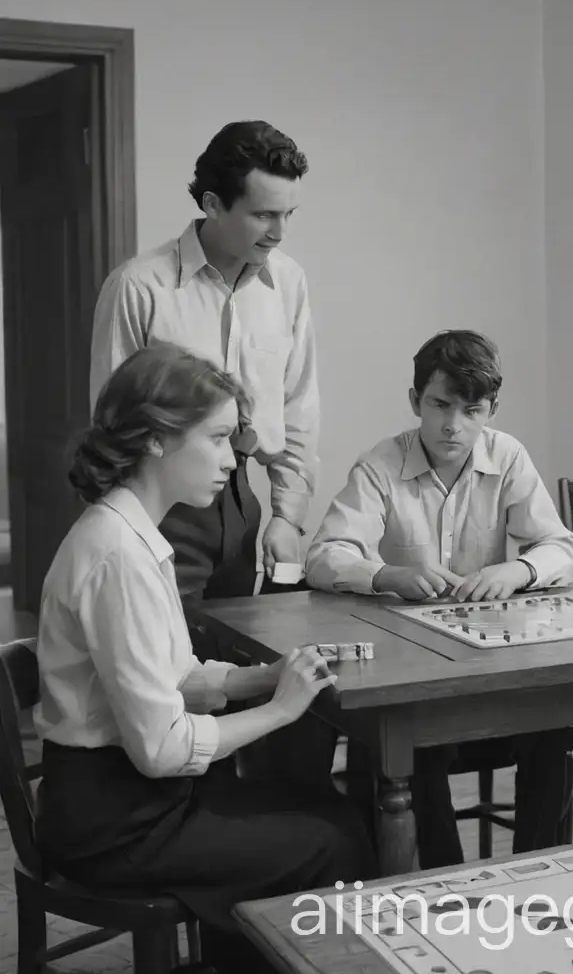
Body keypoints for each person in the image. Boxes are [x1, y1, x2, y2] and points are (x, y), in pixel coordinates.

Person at [34, 344, 376, 974]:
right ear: (159, 439)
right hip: (113, 822)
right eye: (219, 439)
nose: (231, 461)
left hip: (130, 797)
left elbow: (179, 679)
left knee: (330, 813)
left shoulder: (132, 534)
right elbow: (162, 748)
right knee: (333, 836)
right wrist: (280, 709)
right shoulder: (117, 556)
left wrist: (269, 675)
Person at [304, 329, 573, 868]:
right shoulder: (380, 465)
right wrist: (386, 574)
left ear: (491, 411)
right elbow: (323, 556)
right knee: (413, 745)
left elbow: (562, 548)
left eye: (471, 410)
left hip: (494, 669)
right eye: (439, 405)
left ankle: (535, 876)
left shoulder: (509, 458)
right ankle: (448, 889)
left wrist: (518, 569)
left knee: (555, 727)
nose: (453, 425)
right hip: (412, 676)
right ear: (415, 402)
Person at [89, 120, 319, 622]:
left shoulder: (290, 283)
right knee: (164, 670)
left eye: (288, 214)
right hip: (161, 505)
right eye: (263, 215)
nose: (279, 233)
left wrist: (287, 518)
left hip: (241, 502)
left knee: (233, 660)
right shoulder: (139, 287)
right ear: (213, 203)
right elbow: (112, 422)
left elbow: (298, 405)